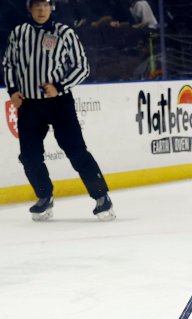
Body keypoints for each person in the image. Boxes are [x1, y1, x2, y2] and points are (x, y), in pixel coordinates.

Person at [2, 0, 115, 221]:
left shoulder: (65, 33)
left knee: (76, 151)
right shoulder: (19, 33)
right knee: (29, 156)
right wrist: (13, 91)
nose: (41, 10)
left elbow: (82, 67)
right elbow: (9, 64)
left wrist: (60, 87)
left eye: (45, 5)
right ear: (29, 9)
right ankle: (44, 196)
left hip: (59, 103)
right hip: (29, 105)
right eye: (37, 6)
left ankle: (102, 197)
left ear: (51, 7)